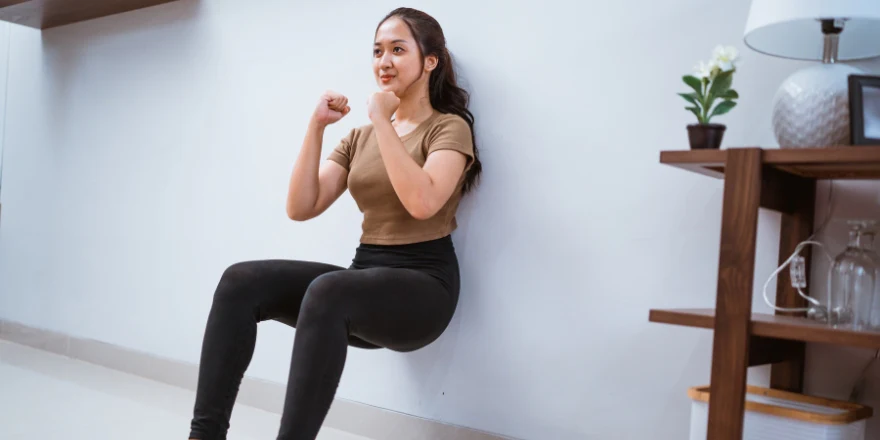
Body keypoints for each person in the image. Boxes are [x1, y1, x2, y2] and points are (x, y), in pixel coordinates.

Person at [188, 7, 482, 440]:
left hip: (424, 288)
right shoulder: (359, 137)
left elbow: (422, 202)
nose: (384, 61)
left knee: (329, 290)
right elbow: (302, 206)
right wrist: (317, 127)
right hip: (363, 281)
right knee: (240, 281)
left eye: (398, 50)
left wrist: (383, 117)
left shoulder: (447, 129)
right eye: (378, 51)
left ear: (430, 61)